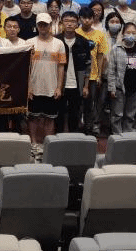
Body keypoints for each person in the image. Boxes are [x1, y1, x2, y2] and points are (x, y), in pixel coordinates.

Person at [25, 13, 66, 161]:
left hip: (51, 87)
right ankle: (34, 143)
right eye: (40, 24)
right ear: (37, 26)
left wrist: (59, 87)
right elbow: (25, 67)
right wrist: (28, 87)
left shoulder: (59, 44)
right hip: (34, 88)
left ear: (50, 25)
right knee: (33, 118)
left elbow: (61, 67)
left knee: (50, 119)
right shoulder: (29, 43)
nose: (43, 27)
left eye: (46, 24)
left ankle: (47, 145)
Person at [106, 22, 136, 133]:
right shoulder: (116, 49)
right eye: (128, 32)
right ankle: (117, 136)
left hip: (135, 87)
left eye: (134, 33)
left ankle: (127, 135)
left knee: (130, 115)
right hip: (120, 87)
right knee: (117, 114)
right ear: (123, 33)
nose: (131, 35)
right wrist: (112, 88)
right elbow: (111, 70)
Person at [56, 11, 91, 133]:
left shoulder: (83, 41)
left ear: (77, 24)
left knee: (74, 113)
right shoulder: (56, 40)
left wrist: (86, 86)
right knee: (59, 113)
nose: (69, 24)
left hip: (77, 84)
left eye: (72, 21)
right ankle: (58, 137)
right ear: (61, 23)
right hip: (59, 84)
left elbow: (88, 66)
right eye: (66, 21)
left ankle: (73, 138)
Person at [77, 6, 110, 136]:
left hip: (93, 75)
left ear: (93, 19)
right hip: (77, 75)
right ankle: (77, 128)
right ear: (80, 19)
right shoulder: (75, 32)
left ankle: (89, 128)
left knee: (90, 104)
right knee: (77, 104)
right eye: (84, 18)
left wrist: (99, 75)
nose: (87, 21)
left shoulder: (99, 34)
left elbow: (101, 56)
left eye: (89, 18)